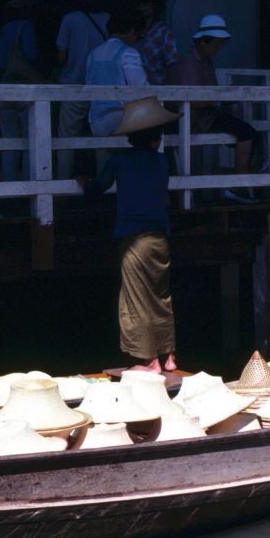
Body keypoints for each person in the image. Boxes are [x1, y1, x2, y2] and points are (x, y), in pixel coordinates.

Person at [75, 97, 179, 374]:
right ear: (156, 140)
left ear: (131, 138)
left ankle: (149, 361)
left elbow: (96, 189)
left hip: (134, 237)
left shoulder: (120, 160)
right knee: (160, 295)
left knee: (136, 298)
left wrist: (83, 181)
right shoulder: (163, 162)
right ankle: (168, 356)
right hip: (160, 236)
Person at [167, 14, 259, 201]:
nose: (219, 48)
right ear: (204, 41)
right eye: (216, 43)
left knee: (248, 132)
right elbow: (188, 99)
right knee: (246, 132)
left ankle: (238, 180)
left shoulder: (207, 61)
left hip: (206, 115)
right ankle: (238, 185)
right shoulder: (189, 63)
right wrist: (217, 101)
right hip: (192, 118)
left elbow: (212, 91)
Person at [55, 0, 109, 177]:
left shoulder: (70, 19)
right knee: (102, 139)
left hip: (73, 85)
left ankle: (62, 186)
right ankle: (103, 183)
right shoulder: (108, 19)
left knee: (66, 139)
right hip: (101, 88)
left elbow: (61, 56)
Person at [0, 0, 42, 182]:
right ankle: (29, 183)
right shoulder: (26, 27)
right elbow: (30, 54)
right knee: (30, 139)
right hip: (24, 87)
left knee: (9, 139)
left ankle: (9, 183)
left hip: (4, 87)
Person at [85, 6, 148, 138]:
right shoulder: (128, 53)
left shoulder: (93, 54)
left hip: (96, 123)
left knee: (104, 158)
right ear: (131, 31)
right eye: (139, 35)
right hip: (123, 120)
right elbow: (142, 89)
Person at [132, 0, 176, 84]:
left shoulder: (164, 34)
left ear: (155, 4)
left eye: (145, 2)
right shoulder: (131, 33)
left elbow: (173, 68)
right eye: (138, 2)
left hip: (157, 93)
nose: (141, 7)